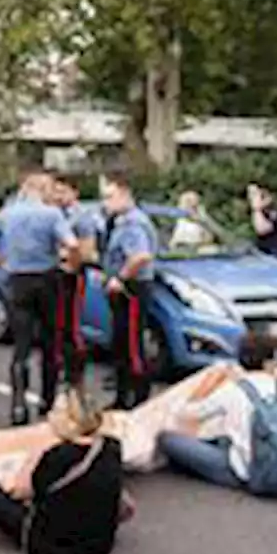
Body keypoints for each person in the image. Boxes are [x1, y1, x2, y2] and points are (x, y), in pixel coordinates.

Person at [0, 388, 133, 554]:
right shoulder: (111, 446)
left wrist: (30, 462)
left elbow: (23, 491)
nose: (50, 416)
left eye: (56, 411)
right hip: (101, 543)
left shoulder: (57, 457)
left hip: (54, 544)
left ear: (70, 421)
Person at [157, 337, 277, 495]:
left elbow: (188, 414)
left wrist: (204, 387)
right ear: (269, 364)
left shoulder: (233, 389)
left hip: (243, 473)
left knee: (168, 439)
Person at [0, 165, 76, 424]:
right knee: (50, 343)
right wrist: (69, 264)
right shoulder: (52, 215)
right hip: (47, 278)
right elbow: (72, 244)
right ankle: (47, 401)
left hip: (17, 280)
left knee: (21, 346)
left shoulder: (8, 214)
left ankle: (18, 405)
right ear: (40, 189)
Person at [99, 172, 158, 410]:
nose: (106, 203)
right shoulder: (121, 221)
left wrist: (120, 278)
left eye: (110, 197)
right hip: (126, 288)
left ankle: (138, 400)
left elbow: (141, 256)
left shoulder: (132, 222)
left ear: (124, 194)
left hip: (132, 289)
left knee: (132, 346)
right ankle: (123, 397)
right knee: (121, 344)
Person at [50, 174, 101, 389]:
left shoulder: (81, 217)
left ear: (74, 193)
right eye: (56, 191)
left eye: (63, 191)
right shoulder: (52, 214)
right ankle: (59, 367)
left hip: (72, 273)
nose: (58, 196)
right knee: (55, 325)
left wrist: (68, 258)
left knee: (72, 325)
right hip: (53, 273)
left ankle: (75, 373)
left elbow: (88, 251)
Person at [248, 183, 277, 259]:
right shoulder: (254, 211)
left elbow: (262, 229)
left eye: (255, 194)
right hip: (259, 251)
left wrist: (257, 210)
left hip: (274, 252)